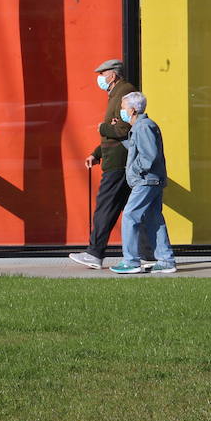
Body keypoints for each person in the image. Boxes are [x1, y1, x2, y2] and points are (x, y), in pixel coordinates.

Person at [69, 60, 155, 269]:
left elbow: (123, 131)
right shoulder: (116, 94)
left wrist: (103, 128)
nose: (99, 78)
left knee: (106, 207)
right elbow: (115, 134)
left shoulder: (124, 93)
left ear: (113, 75)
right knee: (136, 211)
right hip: (119, 160)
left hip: (119, 163)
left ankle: (95, 253)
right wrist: (96, 153)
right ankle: (149, 254)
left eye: (102, 73)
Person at [110, 92, 176, 275]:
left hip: (146, 180)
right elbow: (137, 148)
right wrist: (122, 138)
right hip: (151, 179)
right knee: (154, 218)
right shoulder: (142, 126)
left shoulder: (144, 126)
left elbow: (149, 155)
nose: (122, 111)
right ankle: (166, 260)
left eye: (123, 108)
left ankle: (131, 261)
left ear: (132, 110)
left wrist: (136, 171)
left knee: (130, 216)